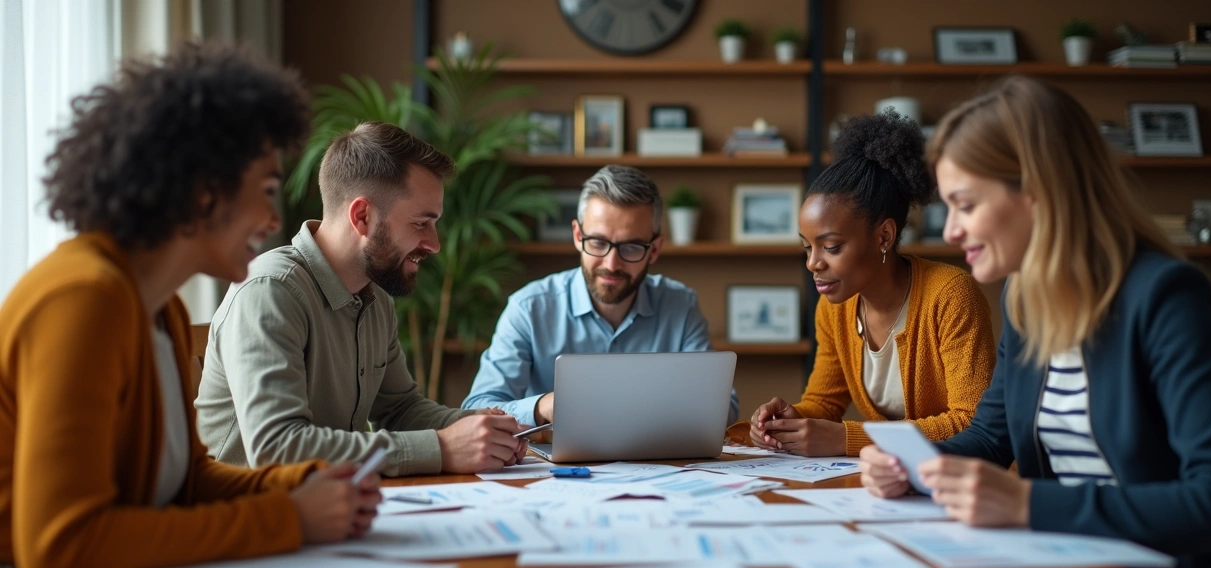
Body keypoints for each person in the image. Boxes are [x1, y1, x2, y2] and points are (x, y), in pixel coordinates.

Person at [0, 43, 379, 568]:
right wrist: (286, 518)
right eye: (266, 189)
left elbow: (189, 481)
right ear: (203, 190)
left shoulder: (162, 308)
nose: (274, 220)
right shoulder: (84, 299)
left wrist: (298, 483)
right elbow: (60, 552)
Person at [859, 76, 1211, 568]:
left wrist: (1030, 502)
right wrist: (910, 464)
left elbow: (1208, 499)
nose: (951, 231)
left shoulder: (1166, 298)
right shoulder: (1027, 302)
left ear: (1037, 192)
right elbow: (991, 436)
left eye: (965, 204)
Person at [196, 122, 528, 476]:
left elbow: (400, 410)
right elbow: (277, 447)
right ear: (362, 216)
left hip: (330, 508)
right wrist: (443, 447)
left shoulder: (374, 298)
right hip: (250, 517)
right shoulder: (270, 290)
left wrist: (478, 427)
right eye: (421, 223)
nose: (435, 244)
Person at [746, 111, 996, 457]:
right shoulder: (834, 307)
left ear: (884, 236)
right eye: (808, 247)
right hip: (889, 482)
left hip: (953, 482)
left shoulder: (951, 296)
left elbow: (971, 422)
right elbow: (823, 402)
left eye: (831, 247)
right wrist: (788, 423)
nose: (813, 263)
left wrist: (846, 438)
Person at [462, 165, 739, 428]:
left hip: (659, 467)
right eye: (598, 243)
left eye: (630, 247)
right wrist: (542, 407)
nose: (611, 264)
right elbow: (478, 408)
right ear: (577, 236)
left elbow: (723, 406)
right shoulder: (529, 308)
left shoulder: (682, 304)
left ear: (654, 249)